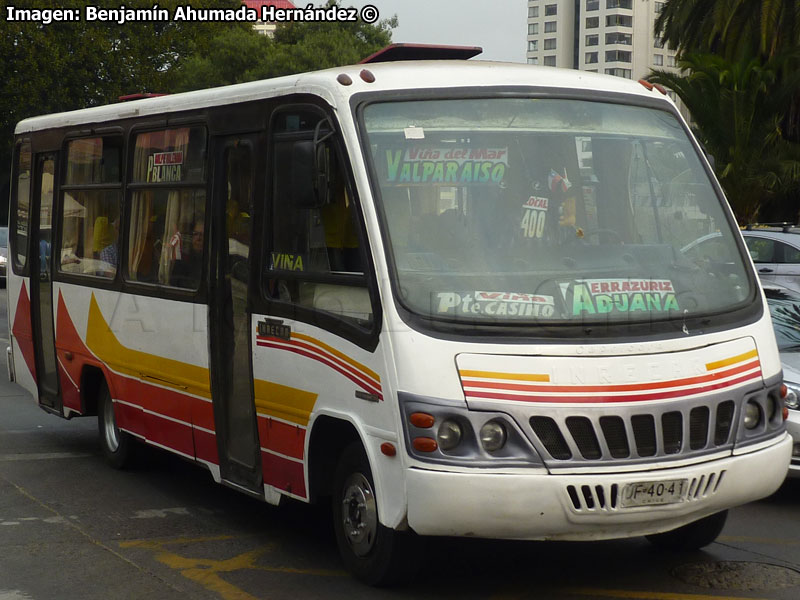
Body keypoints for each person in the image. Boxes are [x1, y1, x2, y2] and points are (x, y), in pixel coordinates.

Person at [171, 219, 204, 288]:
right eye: (195, 234)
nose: (198, 238)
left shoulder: (210, 263)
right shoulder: (182, 259)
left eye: (202, 235)